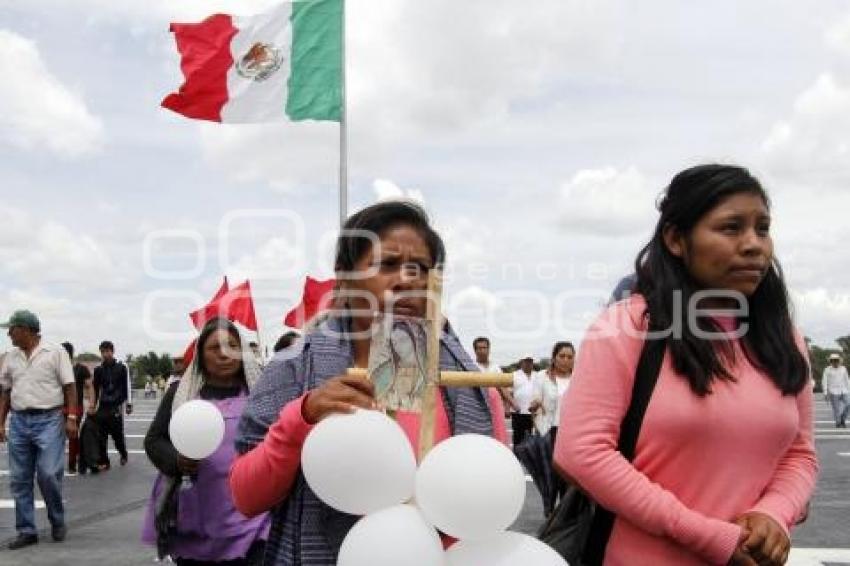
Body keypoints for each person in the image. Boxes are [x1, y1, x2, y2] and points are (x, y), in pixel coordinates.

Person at [555, 164, 818, 565]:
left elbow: (801, 453)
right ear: (677, 239)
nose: (754, 245)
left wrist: (775, 514)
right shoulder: (627, 326)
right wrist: (709, 537)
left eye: (762, 228)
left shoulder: (785, 339)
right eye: (731, 228)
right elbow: (581, 453)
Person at [229, 201, 507, 565]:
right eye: (387, 264)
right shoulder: (294, 369)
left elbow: (490, 509)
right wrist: (302, 418)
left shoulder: (470, 387)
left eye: (420, 268)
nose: (408, 280)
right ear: (345, 277)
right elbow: (246, 497)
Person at [142, 317, 269, 565]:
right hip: (197, 511)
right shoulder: (181, 394)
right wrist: (177, 461)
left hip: (253, 516)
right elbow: (154, 441)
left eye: (232, 346)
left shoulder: (261, 392)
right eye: (214, 348)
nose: (224, 354)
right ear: (200, 354)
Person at [0, 310, 77, 549]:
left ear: (25, 330)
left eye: (11, 330)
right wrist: (0, 422)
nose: (9, 335)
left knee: (47, 473)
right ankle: (26, 530)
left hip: (49, 419)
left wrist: (72, 417)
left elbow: (70, 387)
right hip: (20, 421)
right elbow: (5, 391)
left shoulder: (55, 352)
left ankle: (57, 519)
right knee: (20, 479)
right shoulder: (10, 356)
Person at [92, 340, 132, 470]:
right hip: (103, 405)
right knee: (101, 435)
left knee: (117, 434)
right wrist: (93, 405)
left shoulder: (122, 367)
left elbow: (127, 385)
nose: (105, 354)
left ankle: (123, 454)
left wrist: (129, 403)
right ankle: (105, 461)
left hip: (116, 405)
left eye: (107, 351)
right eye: (102, 352)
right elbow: (95, 389)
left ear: (112, 351)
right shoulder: (98, 370)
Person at [61, 342, 95, 475]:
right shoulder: (57, 368)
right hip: (59, 407)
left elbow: (89, 386)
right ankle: (71, 463)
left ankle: (72, 464)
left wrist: (91, 404)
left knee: (73, 435)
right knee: (58, 436)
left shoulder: (80, 369)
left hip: (76, 407)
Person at [505, 354, 536, 447]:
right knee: (518, 438)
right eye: (526, 361)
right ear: (521, 362)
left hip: (533, 413)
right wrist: (508, 407)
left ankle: (529, 459)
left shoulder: (537, 375)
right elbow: (509, 393)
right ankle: (518, 459)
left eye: (530, 361)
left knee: (531, 438)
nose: (528, 363)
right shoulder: (514, 375)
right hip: (518, 412)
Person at [823, 353, 850, 428]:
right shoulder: (827, 370)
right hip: (833, 391)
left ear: (839, 361)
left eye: (836, 360)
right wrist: (825, 392)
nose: (835, 362)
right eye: (833, 360)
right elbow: (824, 381)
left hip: (844, 390)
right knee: (836, 409)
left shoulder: (843, 368)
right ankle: (838, 423)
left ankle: (842, 419)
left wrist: (849, 389)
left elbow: (847, 380)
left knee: (848, 404)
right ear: (831, 361)